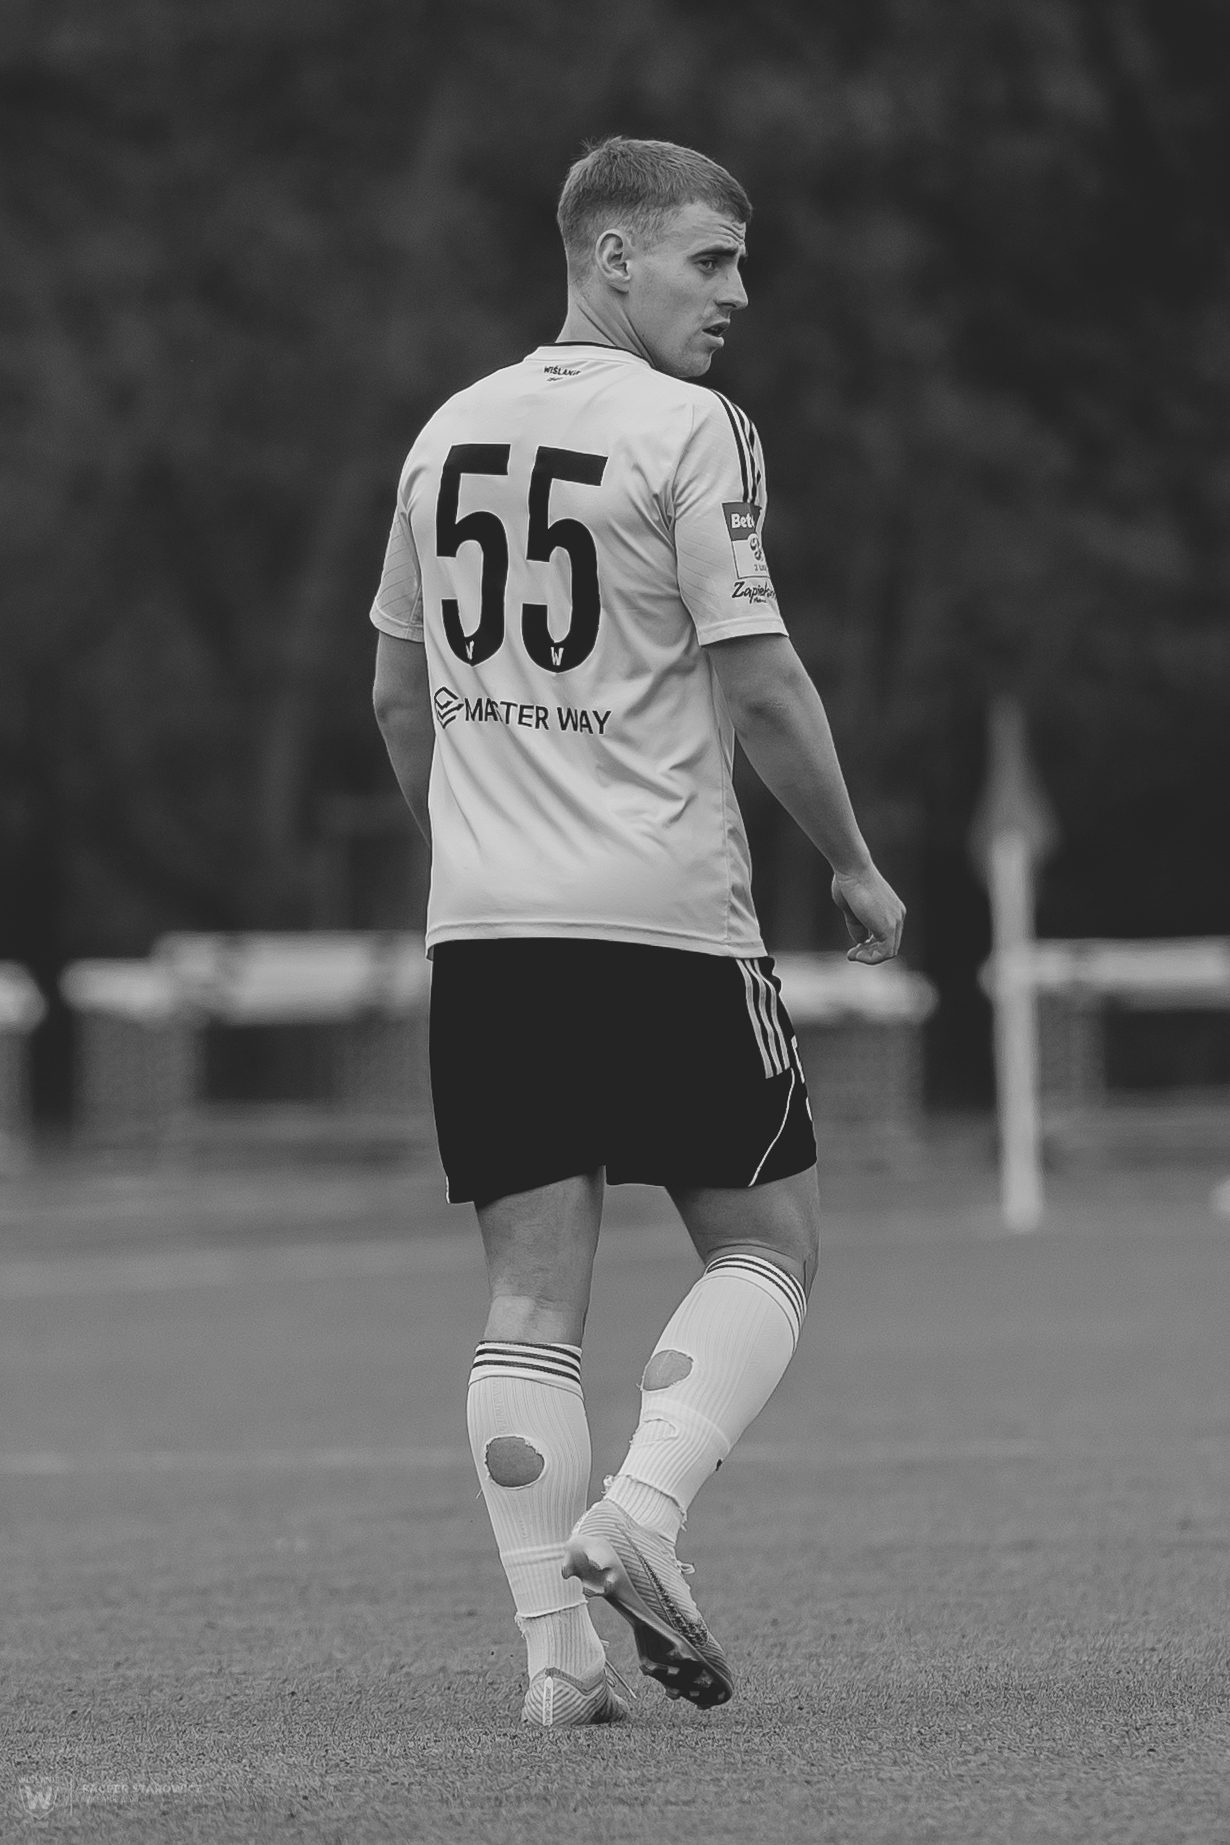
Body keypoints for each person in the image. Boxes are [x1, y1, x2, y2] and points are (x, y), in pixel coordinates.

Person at [371, 135, 904, 1729]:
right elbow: (760, 679)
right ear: (611, 258)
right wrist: (854, 865)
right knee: (769, 1242)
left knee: (530, 1299)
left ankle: (556, 1660)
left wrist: (474, 853)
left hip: (488, 934)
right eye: (707, 260)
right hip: (665, 922)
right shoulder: (689, 429)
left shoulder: (443, 431)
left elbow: (396, 694)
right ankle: (642, 1513)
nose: (734, 294)